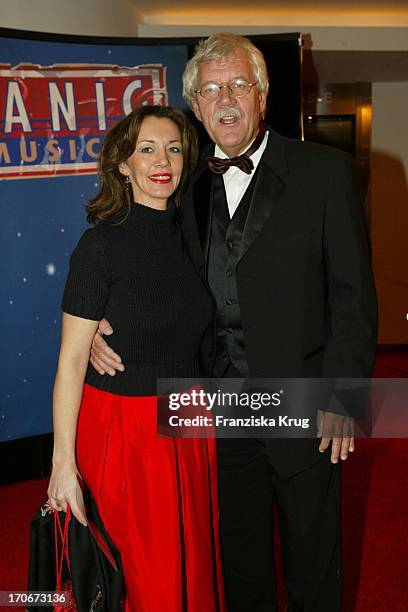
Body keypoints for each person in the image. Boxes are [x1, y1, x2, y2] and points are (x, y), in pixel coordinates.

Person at [91, 34, 378, 612]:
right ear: (195, 107)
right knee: (238, 561)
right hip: (215, 408)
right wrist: (99, 319)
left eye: (238, 85)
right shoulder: (182, 184)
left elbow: (354, 297)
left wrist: (346, 398)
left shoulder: (326, 173)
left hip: (305, 401)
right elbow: (145, 265)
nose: (226, 100)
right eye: (211, 90)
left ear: (262, 96)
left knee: (313, 560)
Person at [47, 105, 227, 612]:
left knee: (193, 566)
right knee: (143, 578)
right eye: (146, 149)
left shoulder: (188, 235)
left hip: (191, 420)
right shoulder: (100, 245)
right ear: (122, 164)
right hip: (128, 432)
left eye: (173, 148)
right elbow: (70, 362)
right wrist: (63, 463)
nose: (162, 159)